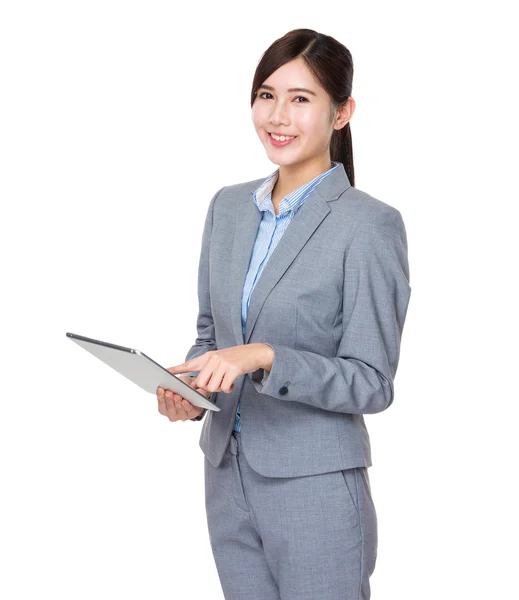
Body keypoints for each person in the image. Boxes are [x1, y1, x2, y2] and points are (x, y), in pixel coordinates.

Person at [156, 28, 411, 600]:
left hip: (315, 485)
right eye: (266, 94)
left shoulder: (368, 225)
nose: (279, 115)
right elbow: (210, 335)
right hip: (227, 475)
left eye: (301, 98)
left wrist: (267, 357)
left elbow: (372, 382)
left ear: (342, 112)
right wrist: (190, 393)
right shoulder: (227, 207)